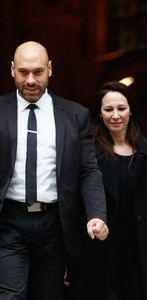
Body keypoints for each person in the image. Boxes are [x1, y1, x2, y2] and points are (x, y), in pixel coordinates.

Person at [0, 41, 108, 300]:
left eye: (38, 72)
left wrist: (97, 214)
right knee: (10, 296)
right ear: (12, 70)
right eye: (23, 72)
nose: (30, 80)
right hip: (9, 222)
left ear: (50, 69)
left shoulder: (75, 115)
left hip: (55, 225)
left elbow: (88, 170)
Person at [65, 81, 147, 300]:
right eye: (108, 109)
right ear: (99, 114)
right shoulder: (89, 154)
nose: (115, 115)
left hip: (145, 249)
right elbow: (74, 206)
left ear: (131, 110)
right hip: (103, 251)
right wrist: (69, 260)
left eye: (121, 108)